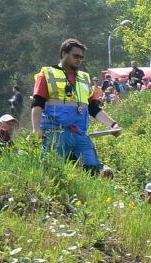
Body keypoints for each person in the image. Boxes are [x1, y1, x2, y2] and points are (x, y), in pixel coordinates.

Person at [31, 39, 120, 173]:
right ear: (64, 54)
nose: (79, 60)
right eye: (76, 56)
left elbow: (93, 108)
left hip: (79, 134)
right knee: (54, 171)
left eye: (81, 57)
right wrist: (36, 129)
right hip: (55, 133)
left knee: (91, 168)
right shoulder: (47, 74)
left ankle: (98, 177)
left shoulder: (84, 78)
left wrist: (113, 124)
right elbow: (37, 103)